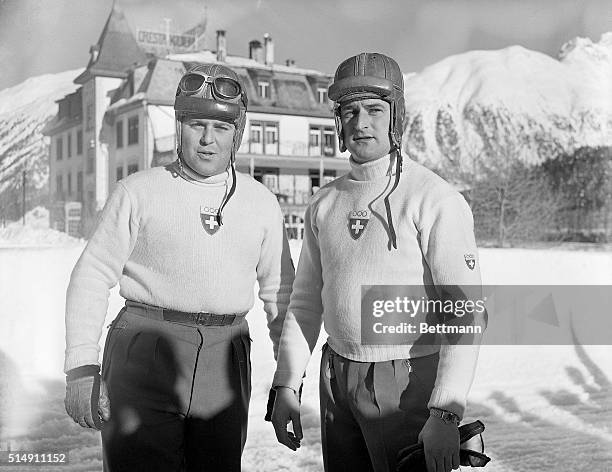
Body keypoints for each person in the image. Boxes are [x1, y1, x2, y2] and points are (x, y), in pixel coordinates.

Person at [63, 63, 295, 472]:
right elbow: (92, 275)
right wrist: (82, 367)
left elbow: (281, 296)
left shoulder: (261, 203)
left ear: (236, 134)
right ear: (179, 125)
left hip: (226, 358)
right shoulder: (138, 191)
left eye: (221, 128)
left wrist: (288, 381)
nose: (207, 139)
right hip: (144, 348)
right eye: (196, 125)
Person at [270, 52, 486, 472]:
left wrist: (446, 411)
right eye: (349, 111)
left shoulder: (434, 199)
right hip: (336, 377)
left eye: (374, 109)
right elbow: (305, 303)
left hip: (407, 378)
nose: (360, 122)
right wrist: (286, 383)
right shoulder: (324, 202)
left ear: (397, 117)